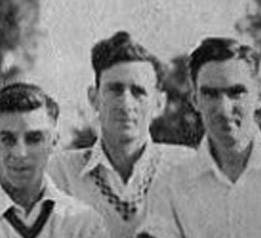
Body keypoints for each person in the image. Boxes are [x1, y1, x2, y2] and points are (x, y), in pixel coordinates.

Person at [47, 31, 194, 238]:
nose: (126, 103)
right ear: (94, 98)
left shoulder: (187, 167)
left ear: (159, 103)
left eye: (138, 91)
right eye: (115, 90)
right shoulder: (58, 174)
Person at [137, 37, 261, 238]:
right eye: (211, 94)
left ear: (259, 97)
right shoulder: (170, 186)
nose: (223, 108)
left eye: (236, 92)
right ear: (195, 100)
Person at [0, 82, 109, 238]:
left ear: (54, 142)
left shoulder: (84, 224)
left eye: (34, 139)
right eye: (6, 139)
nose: (20, 153)